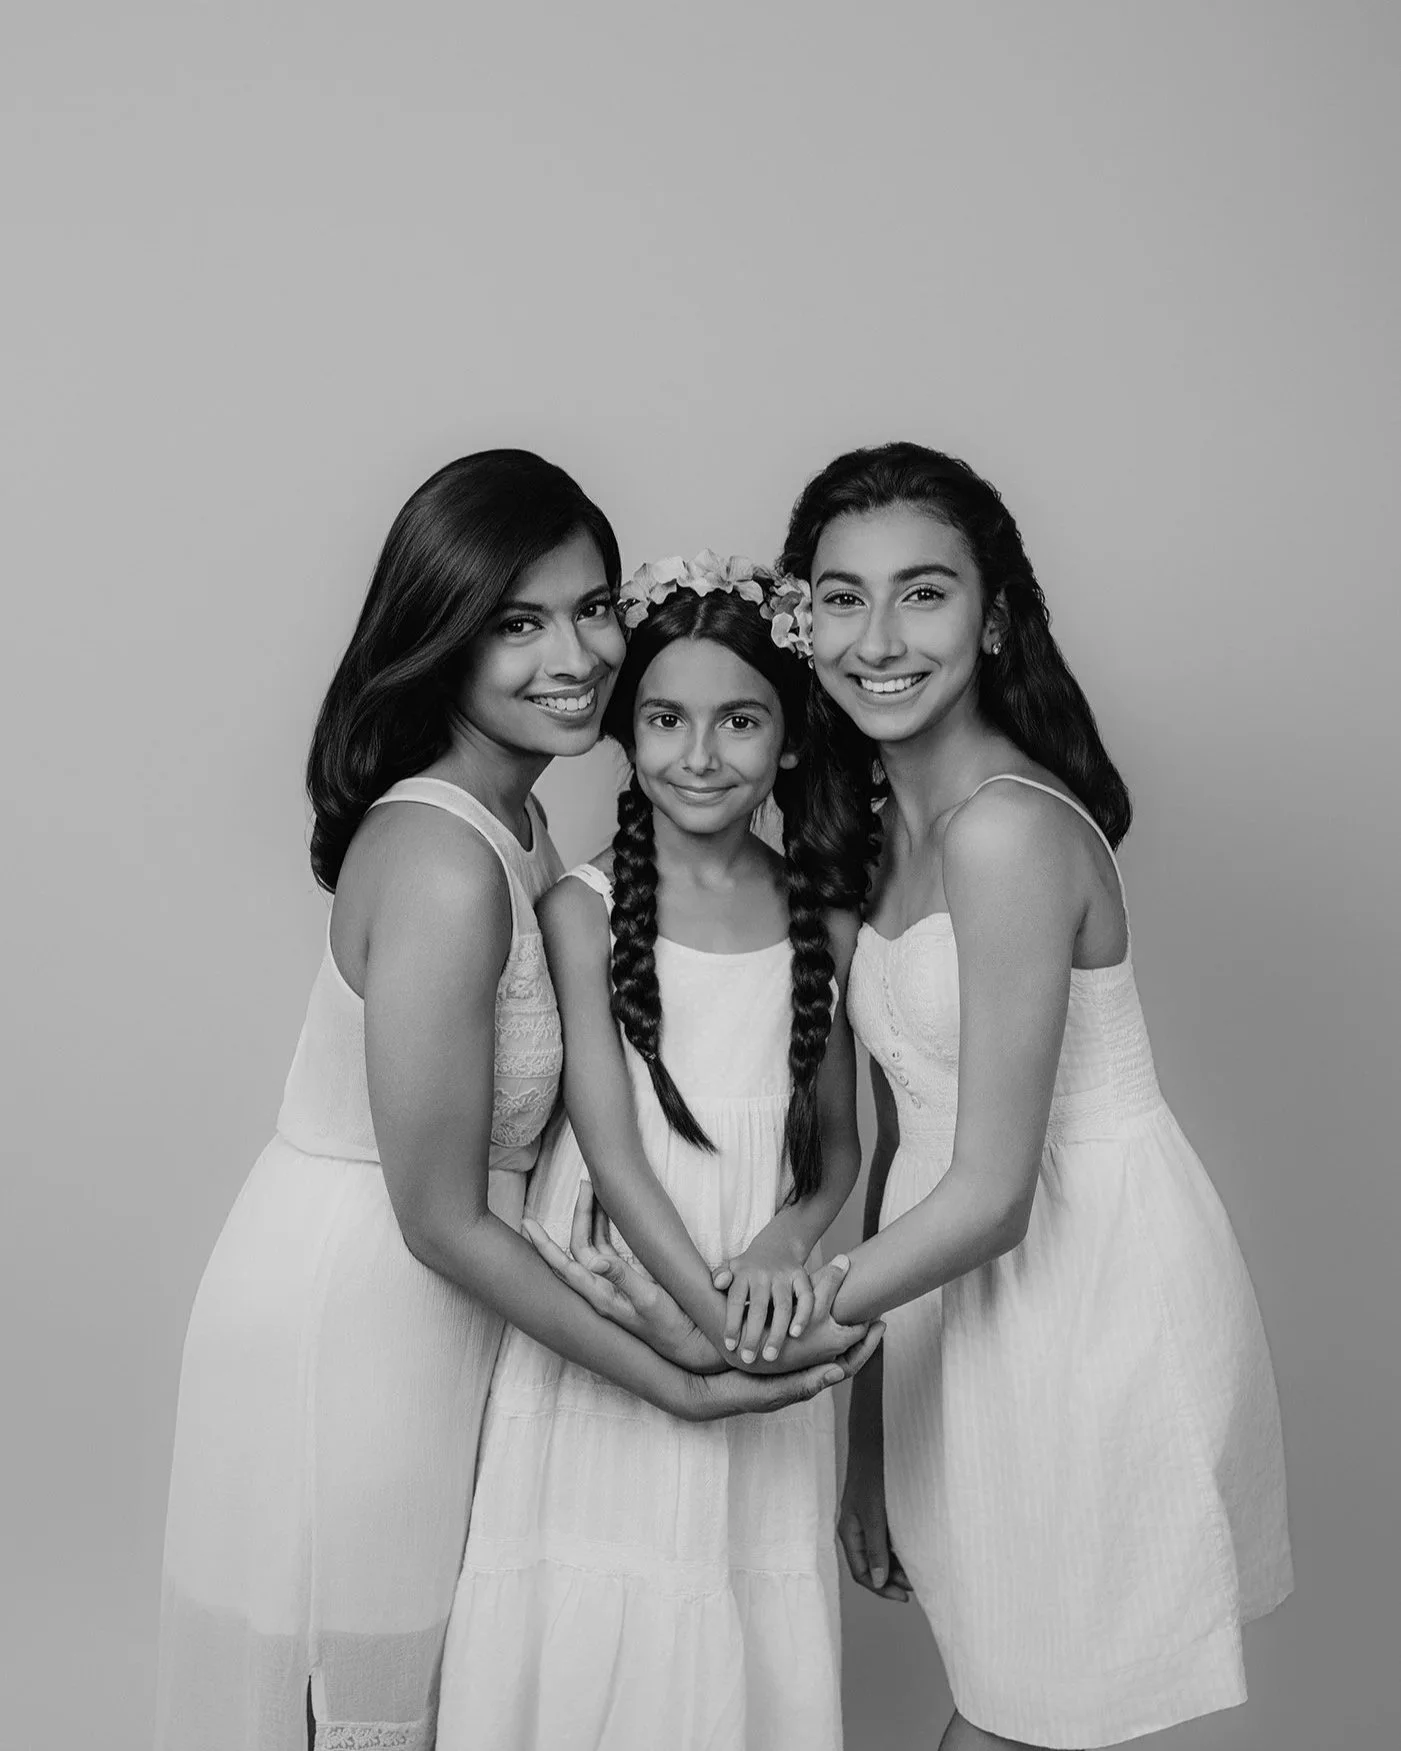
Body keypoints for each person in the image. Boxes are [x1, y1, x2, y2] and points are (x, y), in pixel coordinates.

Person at [154, 462, 872, 1751]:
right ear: (441, 632)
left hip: (466, 1299)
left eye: (592, 606)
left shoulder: (519, 824)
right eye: (517, 620)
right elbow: (435, 1215)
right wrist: (688, 1375)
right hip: (362, 1305)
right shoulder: (440, 856)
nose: (576, 653)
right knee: (349, 1693)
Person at [781, 443, 1293, 1751]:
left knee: (1026, 1716)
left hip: (1084, 1301)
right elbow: (903, 1135)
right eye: (842, 596)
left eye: (924, 592)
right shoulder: (877, 832)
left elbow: (997, 1189)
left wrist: (777, 1328)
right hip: (953, 1316)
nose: (879, 637)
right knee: (1002, 1694)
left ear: (994, 614)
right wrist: (863, 1434)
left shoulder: (1006, 829)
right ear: (803, 619)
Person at [436, 552, 875, 1751]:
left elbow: (838, 1156)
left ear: (789, 740)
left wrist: (780, 1251)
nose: (700, 753)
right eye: (668, 720)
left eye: (740, 721)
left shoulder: (820, 917)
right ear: (627, 737)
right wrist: (704, 1327)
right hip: (629, 1303)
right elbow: (614, 1158)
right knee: (586, 1621)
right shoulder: (578, 909)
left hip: (753, 1299)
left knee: (732, 1624)